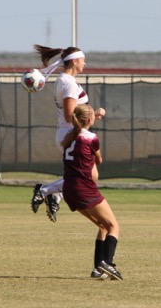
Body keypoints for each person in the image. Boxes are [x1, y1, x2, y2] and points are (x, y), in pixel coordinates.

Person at [29, 45, 106, 223]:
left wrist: (91, 116)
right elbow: (69, 114)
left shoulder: (65, 80)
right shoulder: (68, 83)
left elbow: (72, 114)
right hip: (72, 135)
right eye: (83, 59)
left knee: (90, 176)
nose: (85, 63)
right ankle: (46, 191)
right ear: (74, 61)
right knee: (88, 177)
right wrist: (92, 114)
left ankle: (55, 195)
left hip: (71, 133)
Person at [61, 104, 123, 280]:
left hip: (68, 189)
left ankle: (98, 269)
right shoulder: (91, 138)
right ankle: (108, 264)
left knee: (102, 225)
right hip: (84, 189)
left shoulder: (68, 137)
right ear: (89, 120)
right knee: (113, 226)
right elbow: (99, 160)